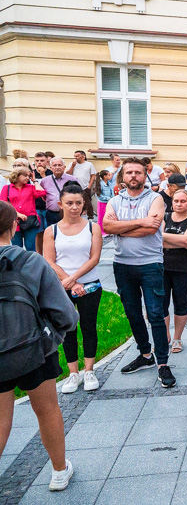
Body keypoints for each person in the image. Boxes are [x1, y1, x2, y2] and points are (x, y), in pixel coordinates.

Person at [0, 201, 79, 492]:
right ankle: (59, 472)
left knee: (0, 419)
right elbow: (63, 312)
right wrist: (59, 333)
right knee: (47, 409)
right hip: (33, 348)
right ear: (13, 226)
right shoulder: (30, 260)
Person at [103, 158, 176, 387]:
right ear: (122, 176)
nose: (133, 176)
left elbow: (152, 228)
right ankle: (145, 355)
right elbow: (107, 227)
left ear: (146, 176)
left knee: (155, 314)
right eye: (129, 173)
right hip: (122, 264)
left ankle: (163, 363)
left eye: (137, 172)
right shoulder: (114, 200)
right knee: (133, 313)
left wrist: (122, 229)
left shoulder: (155, 198)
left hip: (150, 264)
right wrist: (140, 222)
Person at [44, 183, 103, 393]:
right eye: (69, 203)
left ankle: (89, 370)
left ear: (84, 204)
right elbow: (49, 260)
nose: (74, 207)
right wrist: (70, 281)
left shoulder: (92, 227)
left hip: (90, 286)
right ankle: (73, 373)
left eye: (79, 203)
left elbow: (95, 257)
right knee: (68, 329)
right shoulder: (51, 231)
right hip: (62, 287)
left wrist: (76, 280)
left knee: (88, 327)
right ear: (60, 204)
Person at [162, 189, 187, 352]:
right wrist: (183, 243)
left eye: (182, 201)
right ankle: (165, 336)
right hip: (162, 267)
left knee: (181, 303)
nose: (178, 204)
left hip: (184, 268)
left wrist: (164, 236)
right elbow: (156, 241)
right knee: (161, 304)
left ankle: (177, 338)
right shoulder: (165, 217)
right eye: (176, 201)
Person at [2, 166, 45, 251]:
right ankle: (18, 263)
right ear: (17, 176)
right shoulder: (7, 188)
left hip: (30, 221)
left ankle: (31, 263)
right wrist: (17, 214)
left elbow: (42, 193)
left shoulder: (30, 187)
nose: (27, 178)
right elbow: (3, 204)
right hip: (14, 221)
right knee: (16, 247)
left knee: (30, 246)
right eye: (25, 175)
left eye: (28, 176)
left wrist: (34, 181)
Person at [43, 158, 77, 227]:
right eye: (55, 165)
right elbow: (43, 197)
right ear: (51, 168)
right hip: (51, 214)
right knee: (52, 234)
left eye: (59, 165)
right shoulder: (45, 181)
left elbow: (78, 195)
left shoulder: (72, 179)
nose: (57, 167)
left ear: (64, 167)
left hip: (67, 213)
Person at [66, 151, 97, 219]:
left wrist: (89, 186)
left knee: (88, 202)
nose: (75, 158)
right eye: (74, 156)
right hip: (75, 187)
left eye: (77, 156)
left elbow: (93, 175)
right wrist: (72, 166)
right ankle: (76, 216)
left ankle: (90, 217)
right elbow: (68, 174)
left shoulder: (89, 164)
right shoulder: (72, 164)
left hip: (85, 186)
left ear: (83, 157)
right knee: (76, 202)